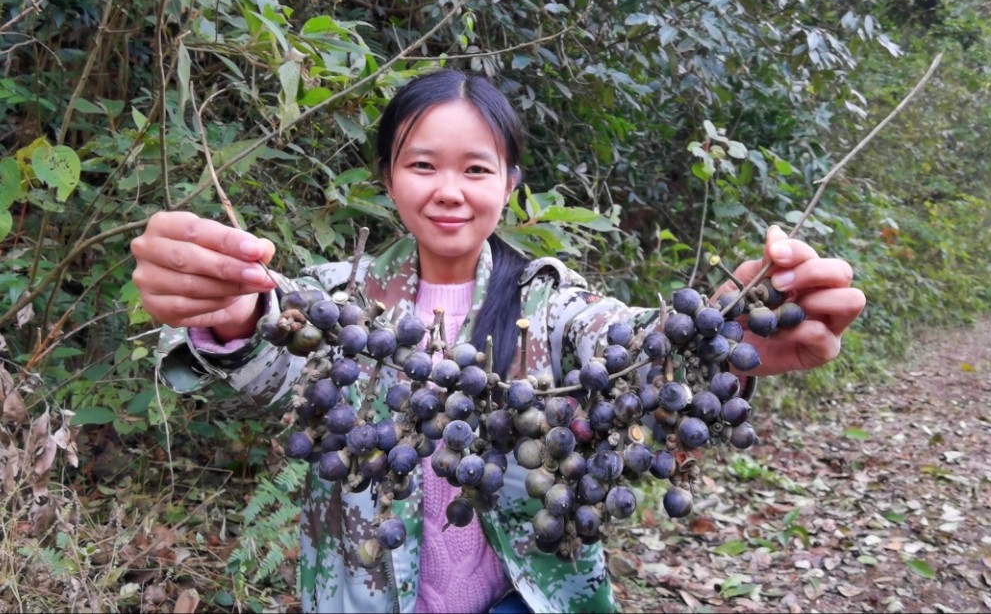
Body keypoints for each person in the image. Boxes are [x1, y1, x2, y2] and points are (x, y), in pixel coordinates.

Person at [131, 69, 865, 613]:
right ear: (388, 178)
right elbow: (276, 359)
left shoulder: (549, 300)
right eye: (422, 164)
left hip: (523, 597)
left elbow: (629, 343)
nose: (450, 189)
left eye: (476, 168)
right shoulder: (341, 297)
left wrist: (721, 333)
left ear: (509, 184)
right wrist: (229, 310)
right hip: (369, 595)